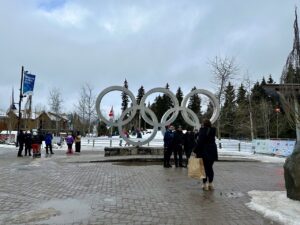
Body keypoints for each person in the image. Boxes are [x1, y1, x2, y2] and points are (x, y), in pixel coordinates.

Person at [195, 119, 218, 191]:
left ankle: (204, 184)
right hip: (212, 151)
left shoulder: (203, 130)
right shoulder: (213, 131)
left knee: (204, 169)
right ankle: (210, 184)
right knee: (210, 168)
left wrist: (195, 150)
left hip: (204, 152)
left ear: (203, 124)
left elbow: (200, 142)